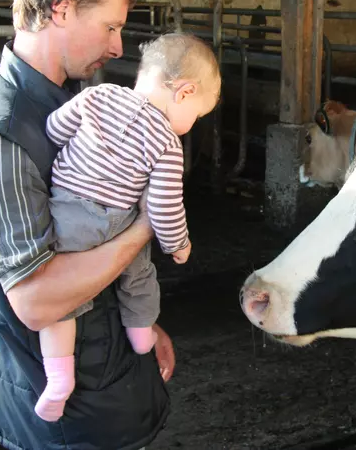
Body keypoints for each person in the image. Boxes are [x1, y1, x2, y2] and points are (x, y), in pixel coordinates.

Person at [0, 0, 174, 448]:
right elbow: (37, 301)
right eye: (110, 27)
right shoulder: (8, 133)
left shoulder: (66, 98)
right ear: (60, 9)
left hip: (102, 381)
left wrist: (136, 323)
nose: (118, 47)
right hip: (60, 423)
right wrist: (146, 224)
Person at [34, 33, 220, 422]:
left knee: (63, 303)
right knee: (138, 274)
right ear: (184, 93)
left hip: (67, 214)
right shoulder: (167, 145)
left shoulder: (97, 96)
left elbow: (53, 130)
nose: (192, 124)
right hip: (118, 222)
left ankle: (58, 378)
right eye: (198, 115)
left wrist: (79, 158)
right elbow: (164, 209)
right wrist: (179, 246)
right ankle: (141, 338)